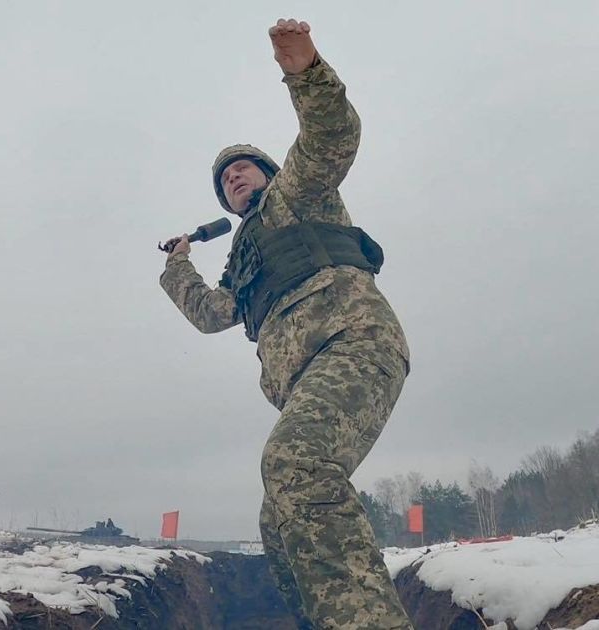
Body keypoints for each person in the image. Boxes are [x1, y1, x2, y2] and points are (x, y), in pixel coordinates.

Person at [158, 18, 412, 630]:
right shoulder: (242, 258)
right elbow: (214, 315)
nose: (235, 177)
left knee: (294, 464)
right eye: (225, 179)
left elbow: (330, 138)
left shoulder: (299, 194)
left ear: (268, 173)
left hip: (353, 341)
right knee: (279, 517)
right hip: (303, 379)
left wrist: (305, 73)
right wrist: (179, 269)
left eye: (244, 168)